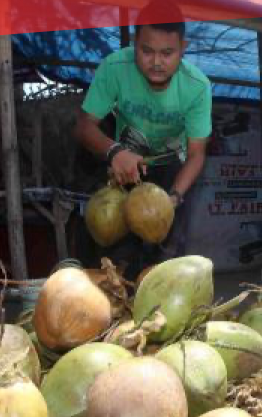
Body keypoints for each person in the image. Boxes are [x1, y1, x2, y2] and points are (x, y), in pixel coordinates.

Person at [74, 0, 212, 276]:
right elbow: (84, 126)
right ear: (135, 43)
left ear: (183, 49)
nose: (157, 62)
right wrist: (114, 153)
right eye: (146, 51)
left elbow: (197, 153)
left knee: (164, 258)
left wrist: (173, 198)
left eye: (167, 53)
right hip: (125, 163)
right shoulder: (115, 68)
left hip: (172, 168)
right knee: (112, 251)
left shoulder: (197, 86)